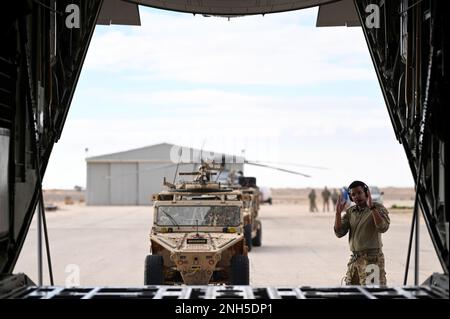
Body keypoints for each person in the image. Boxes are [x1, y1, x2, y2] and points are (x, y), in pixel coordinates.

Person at [334, 180, 390, 285]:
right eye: (353, 195)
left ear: (366, 193)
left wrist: (372, 208)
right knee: (352, 294)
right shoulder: (351, 212)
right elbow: (339, 232)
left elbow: (383, 227)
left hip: (372, 260)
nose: (356, 197)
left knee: (373, 293)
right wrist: (337, 213)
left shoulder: (377, 208)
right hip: (355, 260)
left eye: (359, 193)